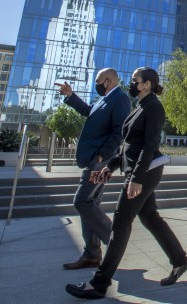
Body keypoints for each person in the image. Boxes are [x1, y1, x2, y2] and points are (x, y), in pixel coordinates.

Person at [66, 67, 187, 300]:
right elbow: (130, 147)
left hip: (146, 171)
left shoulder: (154, 107)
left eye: (136, 80)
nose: (131, 83)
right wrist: (109, 167)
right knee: (150, 217)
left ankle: (100, 283)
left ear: (148, 84)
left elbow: (149, 145)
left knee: (121, 223)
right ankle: (180, 260)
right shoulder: (140, 107)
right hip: (138, 170)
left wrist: (136, 179)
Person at [55, 68, 131, 270]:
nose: (96, 85)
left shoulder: (120, 99)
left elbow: (120, 130)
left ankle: (115, 243)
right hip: (93, 160)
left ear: (108, 81)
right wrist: (71, 96)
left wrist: (102, 156)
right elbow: (90, 112)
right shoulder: (104, 100)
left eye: (98, 81)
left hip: (100, 161)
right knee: (90, 202)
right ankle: (92, 254)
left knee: (82, 200)